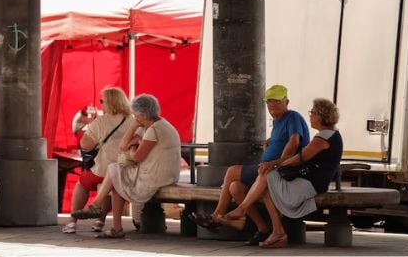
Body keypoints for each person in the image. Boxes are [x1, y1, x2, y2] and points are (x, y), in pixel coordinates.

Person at [190, 84, 310, 245]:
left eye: (277, 102)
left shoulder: (293, 117)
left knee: (233, 171)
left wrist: (277, 162)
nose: (272, 105)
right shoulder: (277, 121)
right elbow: (282, 141)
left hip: (281, 169)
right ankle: (262, 229)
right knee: (235, 187)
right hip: (271, 167)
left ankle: (216, 216)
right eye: (269, 102)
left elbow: (294, 142)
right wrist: (270, 144)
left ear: (287, 102)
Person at [216, 98, 343, 249]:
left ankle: (243, 211)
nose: (310, 116)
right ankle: (277, 232)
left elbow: (300, 158)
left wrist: (274, 163)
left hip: (310, 185)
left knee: (267, 175)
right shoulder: (331, 134)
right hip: (312, 182)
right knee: (266, 183)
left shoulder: (323, 137)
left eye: (313, 112)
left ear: (321, 115)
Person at [71, 94, 181, 239]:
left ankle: (99, 208)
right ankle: (109, 220)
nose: (135, 118)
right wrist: (134, 129)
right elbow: (123, 146)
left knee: (114, 171)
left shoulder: (153, 130)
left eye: (136, 116)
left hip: (155, 177)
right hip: (165, 174)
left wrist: (133, 147)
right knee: (116, 175)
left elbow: (136, 156)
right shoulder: (159, 124)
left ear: (142, 115)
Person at [63, 88, 131, 234]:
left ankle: (72, 223)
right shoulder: (132, 120)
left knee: (82, 183)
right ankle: (100, 221)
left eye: (102, 101)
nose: (101, 104)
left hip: (103, 169)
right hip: (125, 169)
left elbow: (85, 145)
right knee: (108, 187)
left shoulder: (101, 121)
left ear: (110, 102)